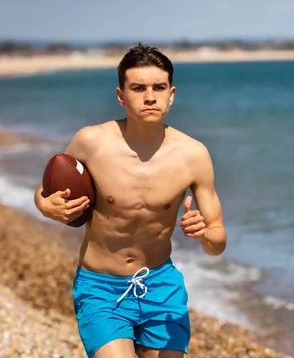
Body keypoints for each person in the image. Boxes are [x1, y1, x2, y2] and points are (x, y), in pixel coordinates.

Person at [33, 42, 227, 358]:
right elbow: (48, 187)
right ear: (121, 95)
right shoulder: (91, 141)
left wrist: (204, 234)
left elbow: (218, 241)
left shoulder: (194, 156)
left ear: (171, 94)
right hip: (100, 288)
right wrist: (44, 205)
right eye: (138, 88)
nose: (149, 96)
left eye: (158, 87)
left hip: (161, 287)